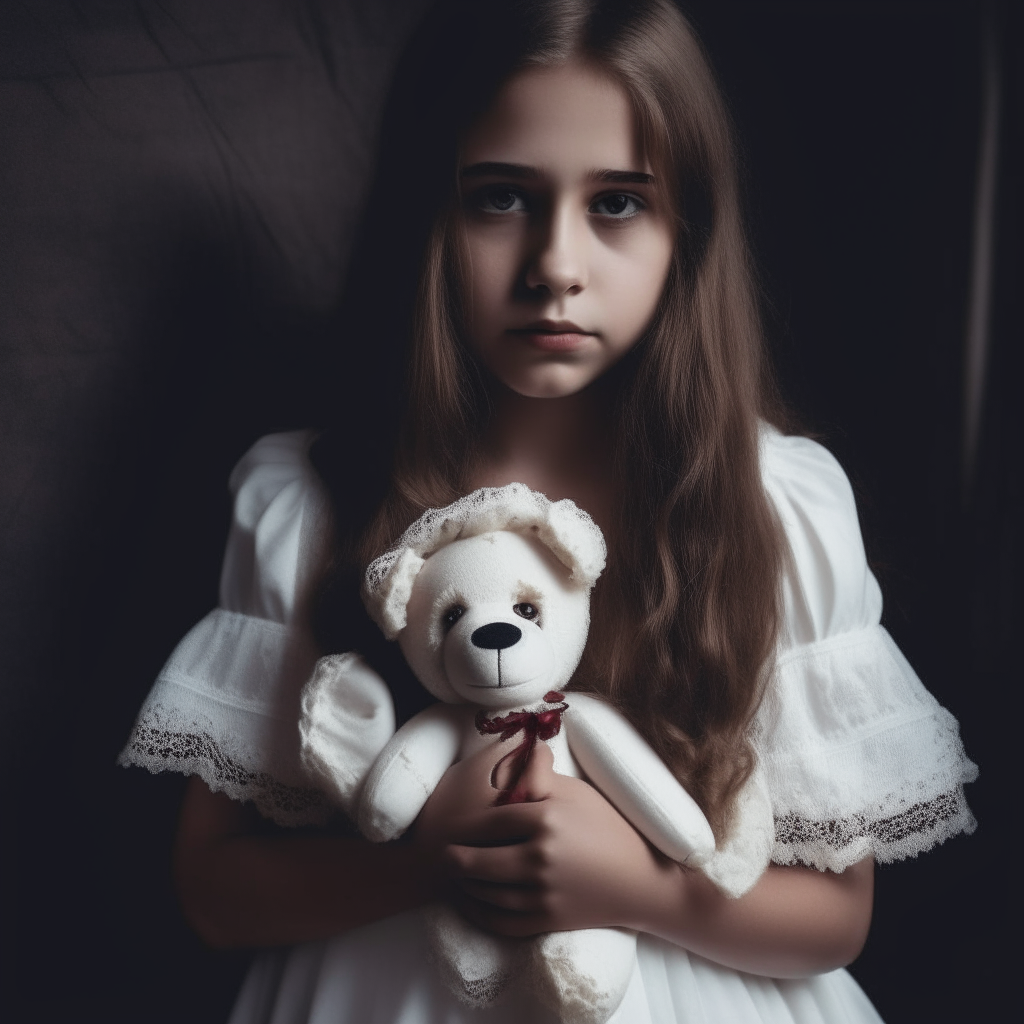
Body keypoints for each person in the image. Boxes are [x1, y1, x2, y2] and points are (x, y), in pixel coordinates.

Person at [119, 2, 978, 1021]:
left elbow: (838, 913)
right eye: (499, 199)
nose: (554, 267)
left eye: (616, 203)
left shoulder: (769, 506)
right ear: (426, 212)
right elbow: (214, 890)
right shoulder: (313, 501)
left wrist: (630, 887)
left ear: (686, 232)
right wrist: (434, 861)